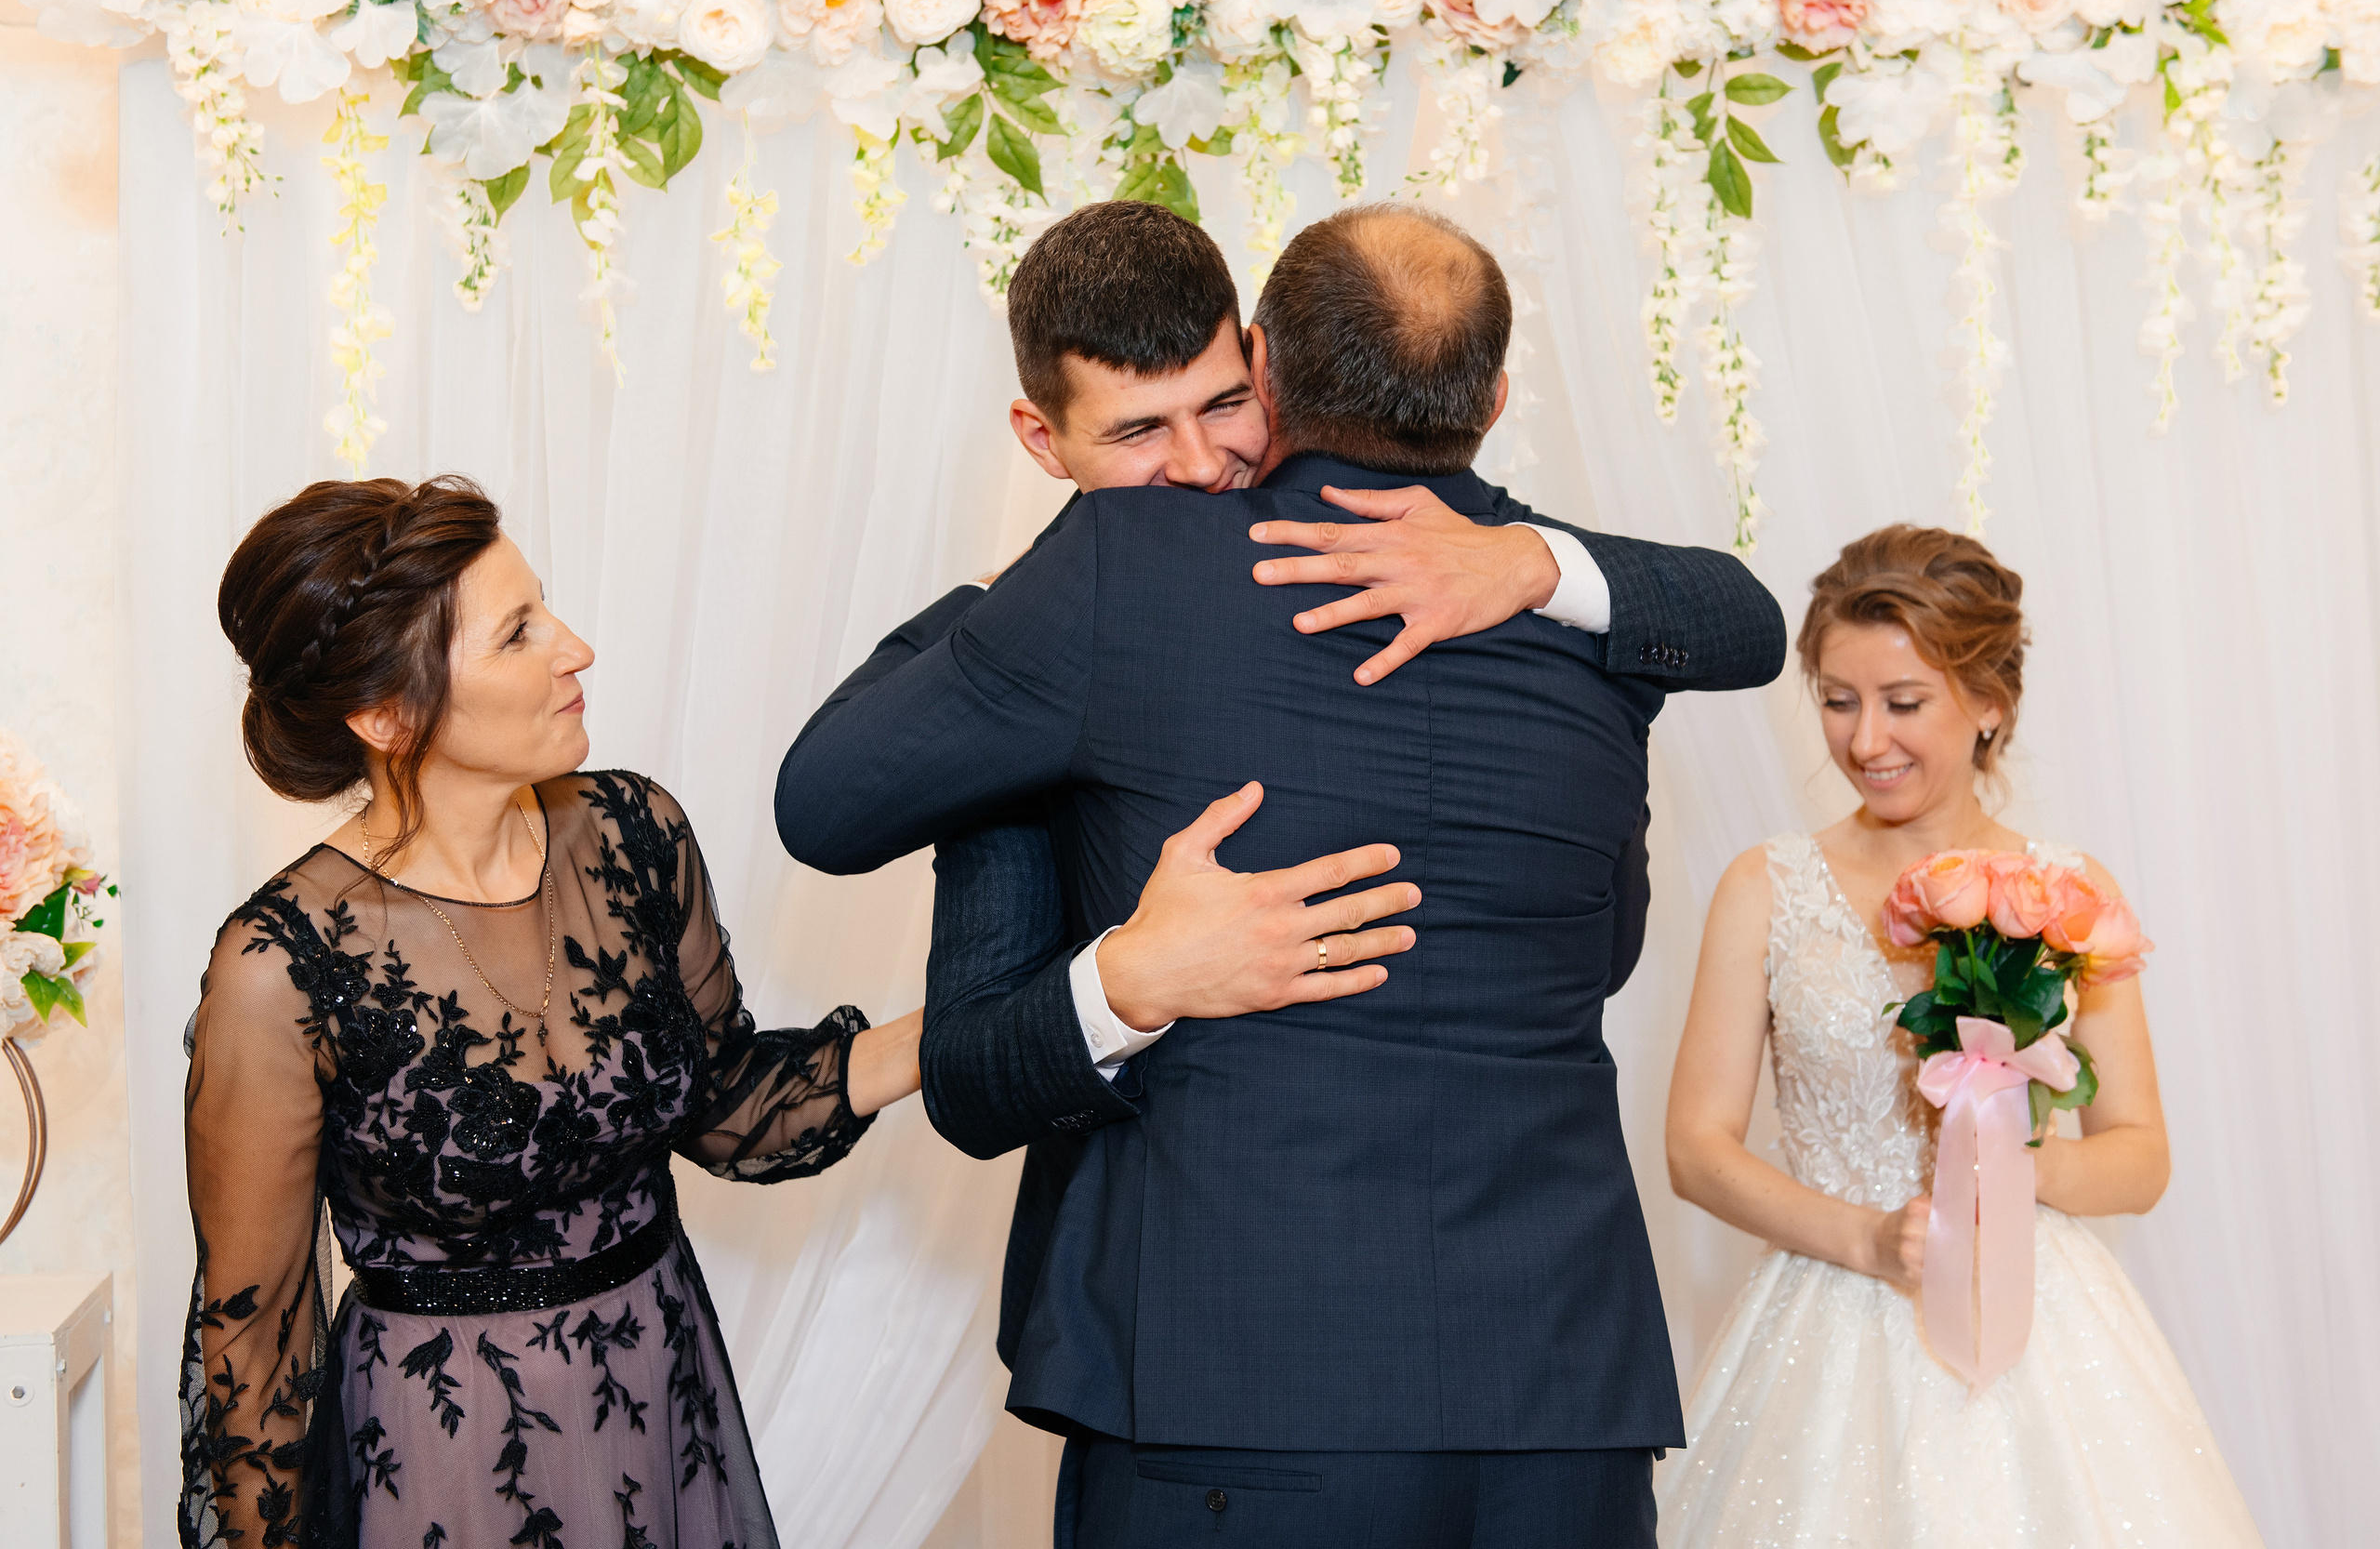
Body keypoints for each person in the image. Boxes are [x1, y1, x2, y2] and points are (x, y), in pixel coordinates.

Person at [778, 202, 1788, 1546]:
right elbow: (1601, 946)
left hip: (1238, 1390)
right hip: (1563, 1403)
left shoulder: (1117, 564)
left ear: (1266, 366)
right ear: (1494, 395)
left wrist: (1013, 597)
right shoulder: (1590, 619)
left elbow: (825, 804)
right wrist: (1546, 563)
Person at [182, 477, 924, 1549]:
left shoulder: (633, 832)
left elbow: (726, 1108)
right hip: (443, 1459)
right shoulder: (279, 966)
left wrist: (980, 1024)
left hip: (663, 1408)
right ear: (388, 715)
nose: (574, 649)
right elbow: (255, 1350)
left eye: (548, 610)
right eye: (519, 633)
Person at [1659, 525, 2263, 1546]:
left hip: (2034, 1321)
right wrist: (1863, 1238)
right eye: (1838, 701)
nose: (1864, 741)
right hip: (1830, 1310)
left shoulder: (2070, 892)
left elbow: (2139, 1156)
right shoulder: (1764, 888)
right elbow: (1695, 1149)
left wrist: (2015, 1176)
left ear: (1989, 703)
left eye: (1903, 704)